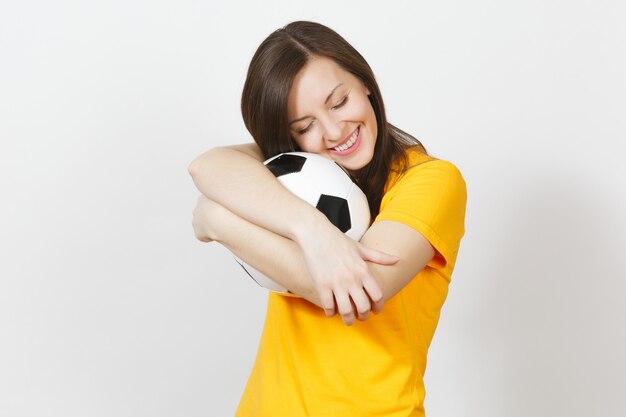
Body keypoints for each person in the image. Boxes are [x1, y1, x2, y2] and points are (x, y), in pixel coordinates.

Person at [188, 20, 467, 417]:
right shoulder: (296, 174)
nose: (335, 130)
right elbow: (205, 166)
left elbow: (355, 289)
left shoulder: (432, 181)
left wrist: (219, 221)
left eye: (339, 102)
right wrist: (313, 230)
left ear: (365, 83)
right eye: (305, 126)